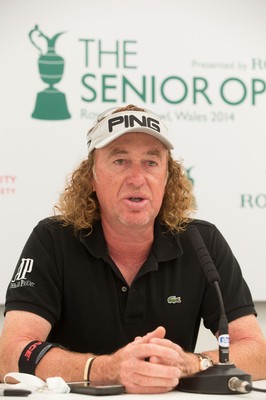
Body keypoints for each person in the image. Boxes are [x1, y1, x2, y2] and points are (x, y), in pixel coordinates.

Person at [0, 104, 265, 393]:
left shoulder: (202, 241)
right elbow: (10, 353)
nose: (137, 178)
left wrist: (192, 363)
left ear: (167, 178)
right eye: (120, 161)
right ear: (91, 177)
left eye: (151, 163)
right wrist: (105, 369)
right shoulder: (52, 239)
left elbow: (256, 351)